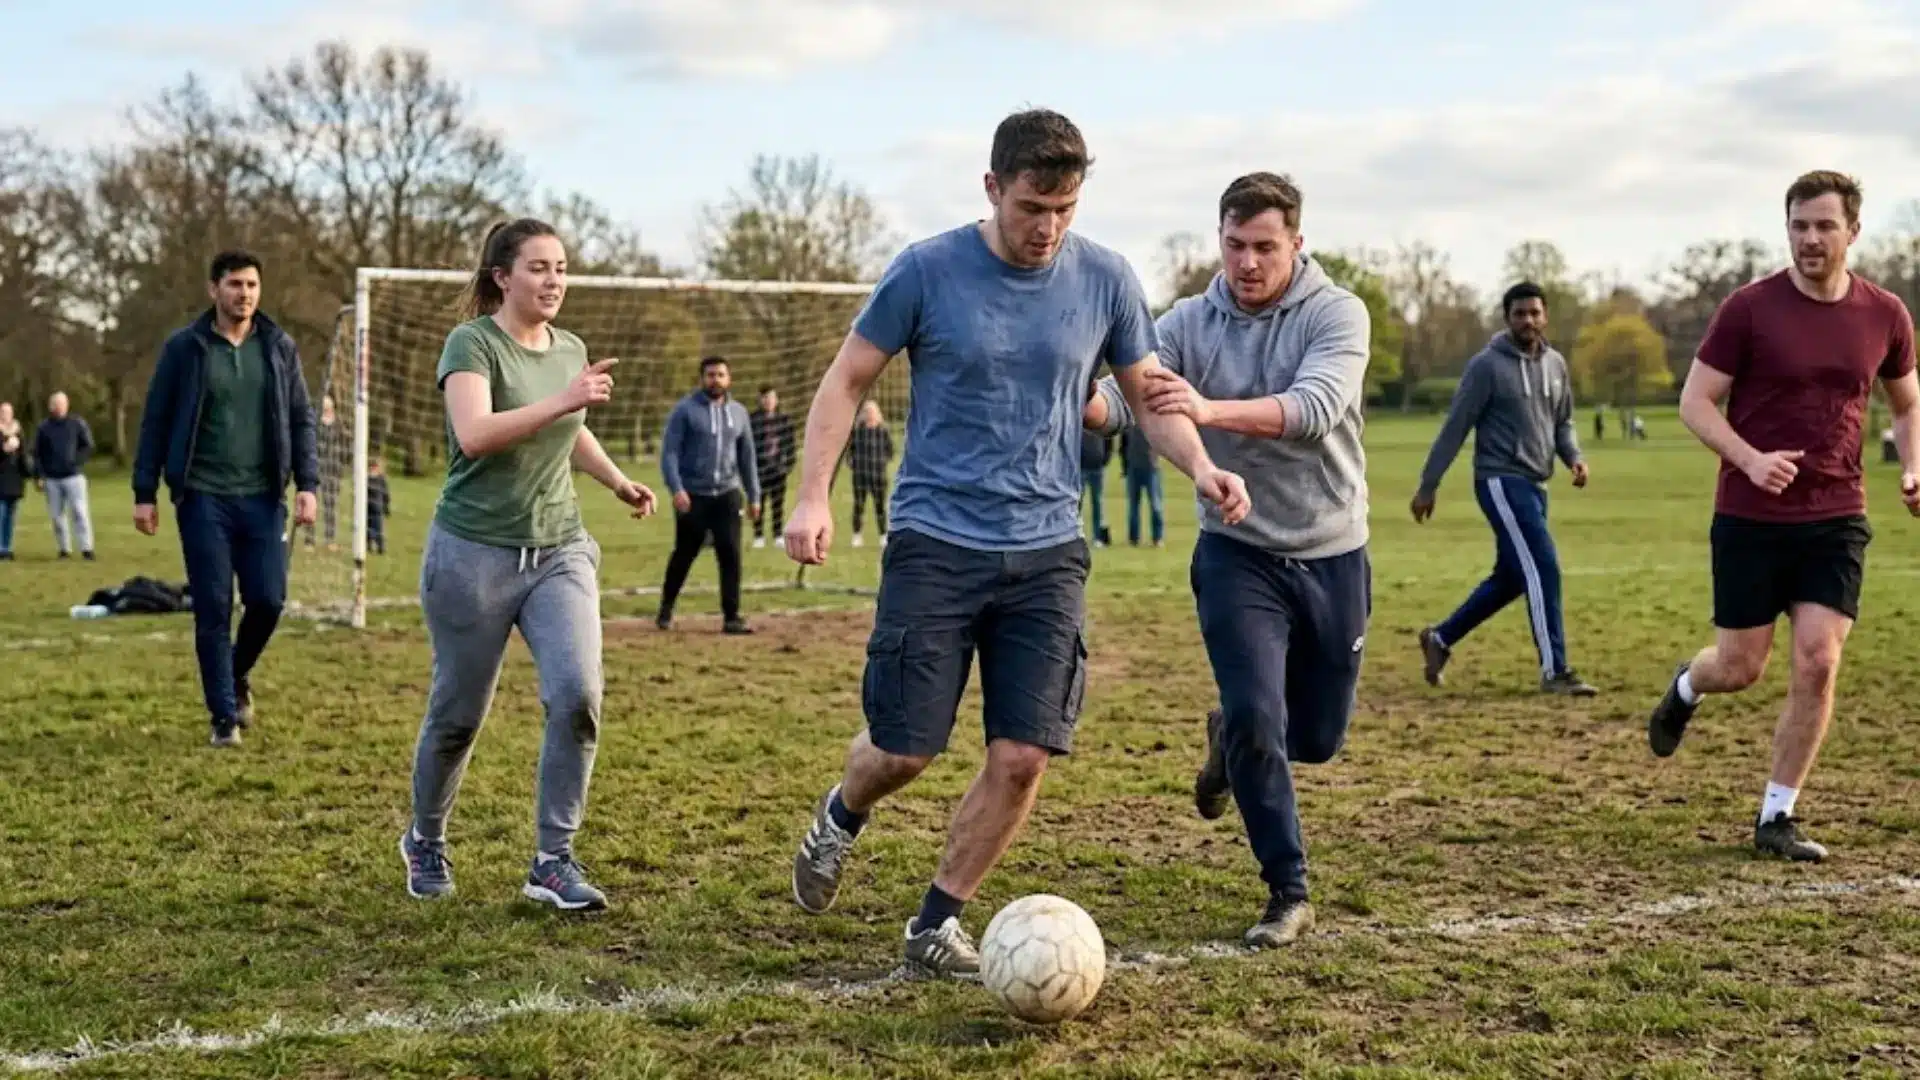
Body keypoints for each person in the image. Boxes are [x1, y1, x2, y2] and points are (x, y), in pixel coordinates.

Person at [782, 108, 1250, 977]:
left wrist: (1203, 468)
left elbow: (1148, 398)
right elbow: (848, 380)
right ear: (993, 188)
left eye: (1066, 208)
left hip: (1046, 549)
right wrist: (813, 497)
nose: (1049, 228)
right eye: (1033, 206)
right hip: (935, 539)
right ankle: (842, 814)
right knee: (903, 749)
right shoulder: (925, 271)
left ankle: (935, 924)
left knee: (1025, 754)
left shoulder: (1106, 278)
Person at [1085, 171, 1370, 947]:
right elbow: (1132, 396)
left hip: (1331, 552)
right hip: (1236, 556)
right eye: (1235, 245)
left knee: (1314, 739)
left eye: (1265, 247)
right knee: (1258, 718)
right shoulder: (1186, 322)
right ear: (1220, 239)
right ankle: (1288, 889)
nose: (1248, 262)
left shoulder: (1337, 314)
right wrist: (1091, 400)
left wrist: (1209, 410)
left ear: (1297, 245)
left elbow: (1314, 410)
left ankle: (1228, 740)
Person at [1646, 170, 1920, 863]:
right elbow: (1696, 402)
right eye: (1798, 225)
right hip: (1750, 515)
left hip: (1836, 515)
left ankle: (1777, 814)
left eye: (1824, 226)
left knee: (1819, 661)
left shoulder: (1884, 314)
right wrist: (1749, 458)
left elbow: (1907, 402)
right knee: (1740, 667)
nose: (1809, 239)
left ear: (1853, 232)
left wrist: (1913, 466)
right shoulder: (1748, 309)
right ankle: (1686, 686)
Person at [400, 217, 658, 911]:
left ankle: (552, 859)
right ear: (501, 276)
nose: (554, 281)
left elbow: (568, 434)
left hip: (558, 550)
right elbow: (476, 435)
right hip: (472, 555)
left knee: (578, 696)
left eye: (562, 268)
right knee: (458, 715)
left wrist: (616, 480)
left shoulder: (570, 348)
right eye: (539, 268)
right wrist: (566, 399)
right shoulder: (472, 344)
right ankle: (425, 839)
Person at [132, 250, 321, 747]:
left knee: (268, 599)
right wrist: (144, 491)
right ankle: (224, 716)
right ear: (213, 289)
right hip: (202, 496)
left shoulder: (279, 347)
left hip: (263, 497)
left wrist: (308, 484)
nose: (245, 294)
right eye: (235, 284)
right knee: (213, 604)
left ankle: (233, 675)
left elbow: (301, 418)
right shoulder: (185, 349)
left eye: (253, 285)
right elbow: (155, 420)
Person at [1411, 282, 1598, 697]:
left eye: (1534, 312)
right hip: (1499, 479)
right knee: (1544, 566)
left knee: (1513, 577)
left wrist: (1574, 458)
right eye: (1519, 314)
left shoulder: (1555, 364)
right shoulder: (1486, 367)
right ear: (1507, 318)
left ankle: (1440, 639)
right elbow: (1455, 427)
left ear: (1545, 316)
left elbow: (1562, 421)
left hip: (1536, 483)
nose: (1528, 320)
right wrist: (1428, 485)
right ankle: (1556, 671)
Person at [656, 356, 760, 634]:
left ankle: (732, 616)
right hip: (693, 495)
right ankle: (666, 608)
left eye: (721, 375)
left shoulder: (739, 413)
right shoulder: (685, 411)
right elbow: (670, 453)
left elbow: (747, 456)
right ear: (702, 379)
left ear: (729, 379)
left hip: (727, 494)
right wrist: (676, 488)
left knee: (731, 555)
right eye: (711, 375)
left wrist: (754, 495)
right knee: (685, 554)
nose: (716, 380)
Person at [35, 391, 95, 560]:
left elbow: (88, 446)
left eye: (62, 403)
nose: (59, 407)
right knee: (56, 516)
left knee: (80, 512)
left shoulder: (77, 424)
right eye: (56, 404)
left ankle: (86, 548)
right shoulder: (44, 428)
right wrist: (38, 475)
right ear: (51, 407)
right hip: (52, 478)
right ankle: (64, 549)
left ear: (67, 405)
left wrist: (76, 461)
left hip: (74, 476)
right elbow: (38, 454)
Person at [750, 386, 797, 550]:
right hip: (759, 470)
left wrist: (788, 465)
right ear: (760, 400)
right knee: (758, 503)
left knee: (778, 504)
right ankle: (758, 535)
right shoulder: (753, 420)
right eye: (764, 398)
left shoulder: (784, 420)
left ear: (776, 400)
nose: (768, 401)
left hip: (778, 469)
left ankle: (777, 534)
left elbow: (791, 445)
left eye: (771, 398)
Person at [847, 399, 893, 548]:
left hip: (878, 476)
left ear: (877, 413)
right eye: (867, 412)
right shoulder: (858, 431)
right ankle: (857, 536)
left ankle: (883, 536)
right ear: (863, 414)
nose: (870, 414)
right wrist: (852, 464)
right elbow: (849, 452)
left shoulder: (883, 430)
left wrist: (881, 462)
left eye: (873, 412)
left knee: (880, 507)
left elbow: (890, 451)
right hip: (860, 476)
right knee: (859, 506)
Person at [306, 393, 343, 550]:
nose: (327, 409)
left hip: (332, 470)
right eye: (325, 407)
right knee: (312, 503)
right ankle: (309, 540)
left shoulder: (339, 425)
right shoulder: (316, 424)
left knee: (330, 506)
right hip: (317, 468)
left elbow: (344, 446)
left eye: (329, 407)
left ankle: (330, 539)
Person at [1120, 425, 1163, 547]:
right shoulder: (1128, 424)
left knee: (1156, 505)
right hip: (1133, 468)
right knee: (1133, 506)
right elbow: (1123, 446)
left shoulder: (1152, 423)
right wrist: (1124, 467)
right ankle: (1133, 539)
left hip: (1151, 468)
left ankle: (1157, 538)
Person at [0, 401, 27, 561]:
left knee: (10, 516)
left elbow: (24, 455)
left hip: (15, 480)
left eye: (8, 412)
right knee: (0, 514)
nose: (5, 415)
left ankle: (7, 547)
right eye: (2, 412)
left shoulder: (18, 432)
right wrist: (3, 450)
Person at [1079, 429, 1112, 546]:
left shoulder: (1099, 423)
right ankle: (1076, 536)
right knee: (1077, 504)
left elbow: (1109, 442)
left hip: (1097, 468)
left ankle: (1098, 537)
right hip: (1080, 468)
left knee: (1098, 503)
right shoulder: (1078, 422)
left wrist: (1105, 459)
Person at [366, 457, 391, 556]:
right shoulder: (366, 478)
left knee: (378, 528)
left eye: (375, 467)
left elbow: (386, 494)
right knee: (368, 527)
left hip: (377, 508)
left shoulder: (381, 479)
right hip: (368, 508)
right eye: (372, 466)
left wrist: (386, 507)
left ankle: (380, 547)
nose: (373, 468)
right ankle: (369, 545)